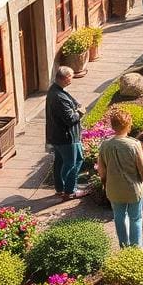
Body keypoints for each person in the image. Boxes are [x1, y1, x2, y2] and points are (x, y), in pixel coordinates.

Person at [97, 107, 143, 248]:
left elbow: (101, 171)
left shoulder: (104, 145)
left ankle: (123, 245)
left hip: (113, 189)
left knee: (119, 217)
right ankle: (135, 247)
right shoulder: (134, 144)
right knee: (136, 218)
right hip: (133, 189)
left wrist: (105, 182)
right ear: (128, 125)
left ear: (112, 126)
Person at [46, 66, 85, 200]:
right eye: (71, 77)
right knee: (74, 162)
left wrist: (75, 105)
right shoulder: (59, 97)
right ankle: (70, 191)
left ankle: (60, 189)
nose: (72, 79)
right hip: (67, 137)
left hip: (57, 136)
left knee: (60, 162)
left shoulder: (54, 90)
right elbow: (70, 119)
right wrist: (80, 112)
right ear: (65, 78)